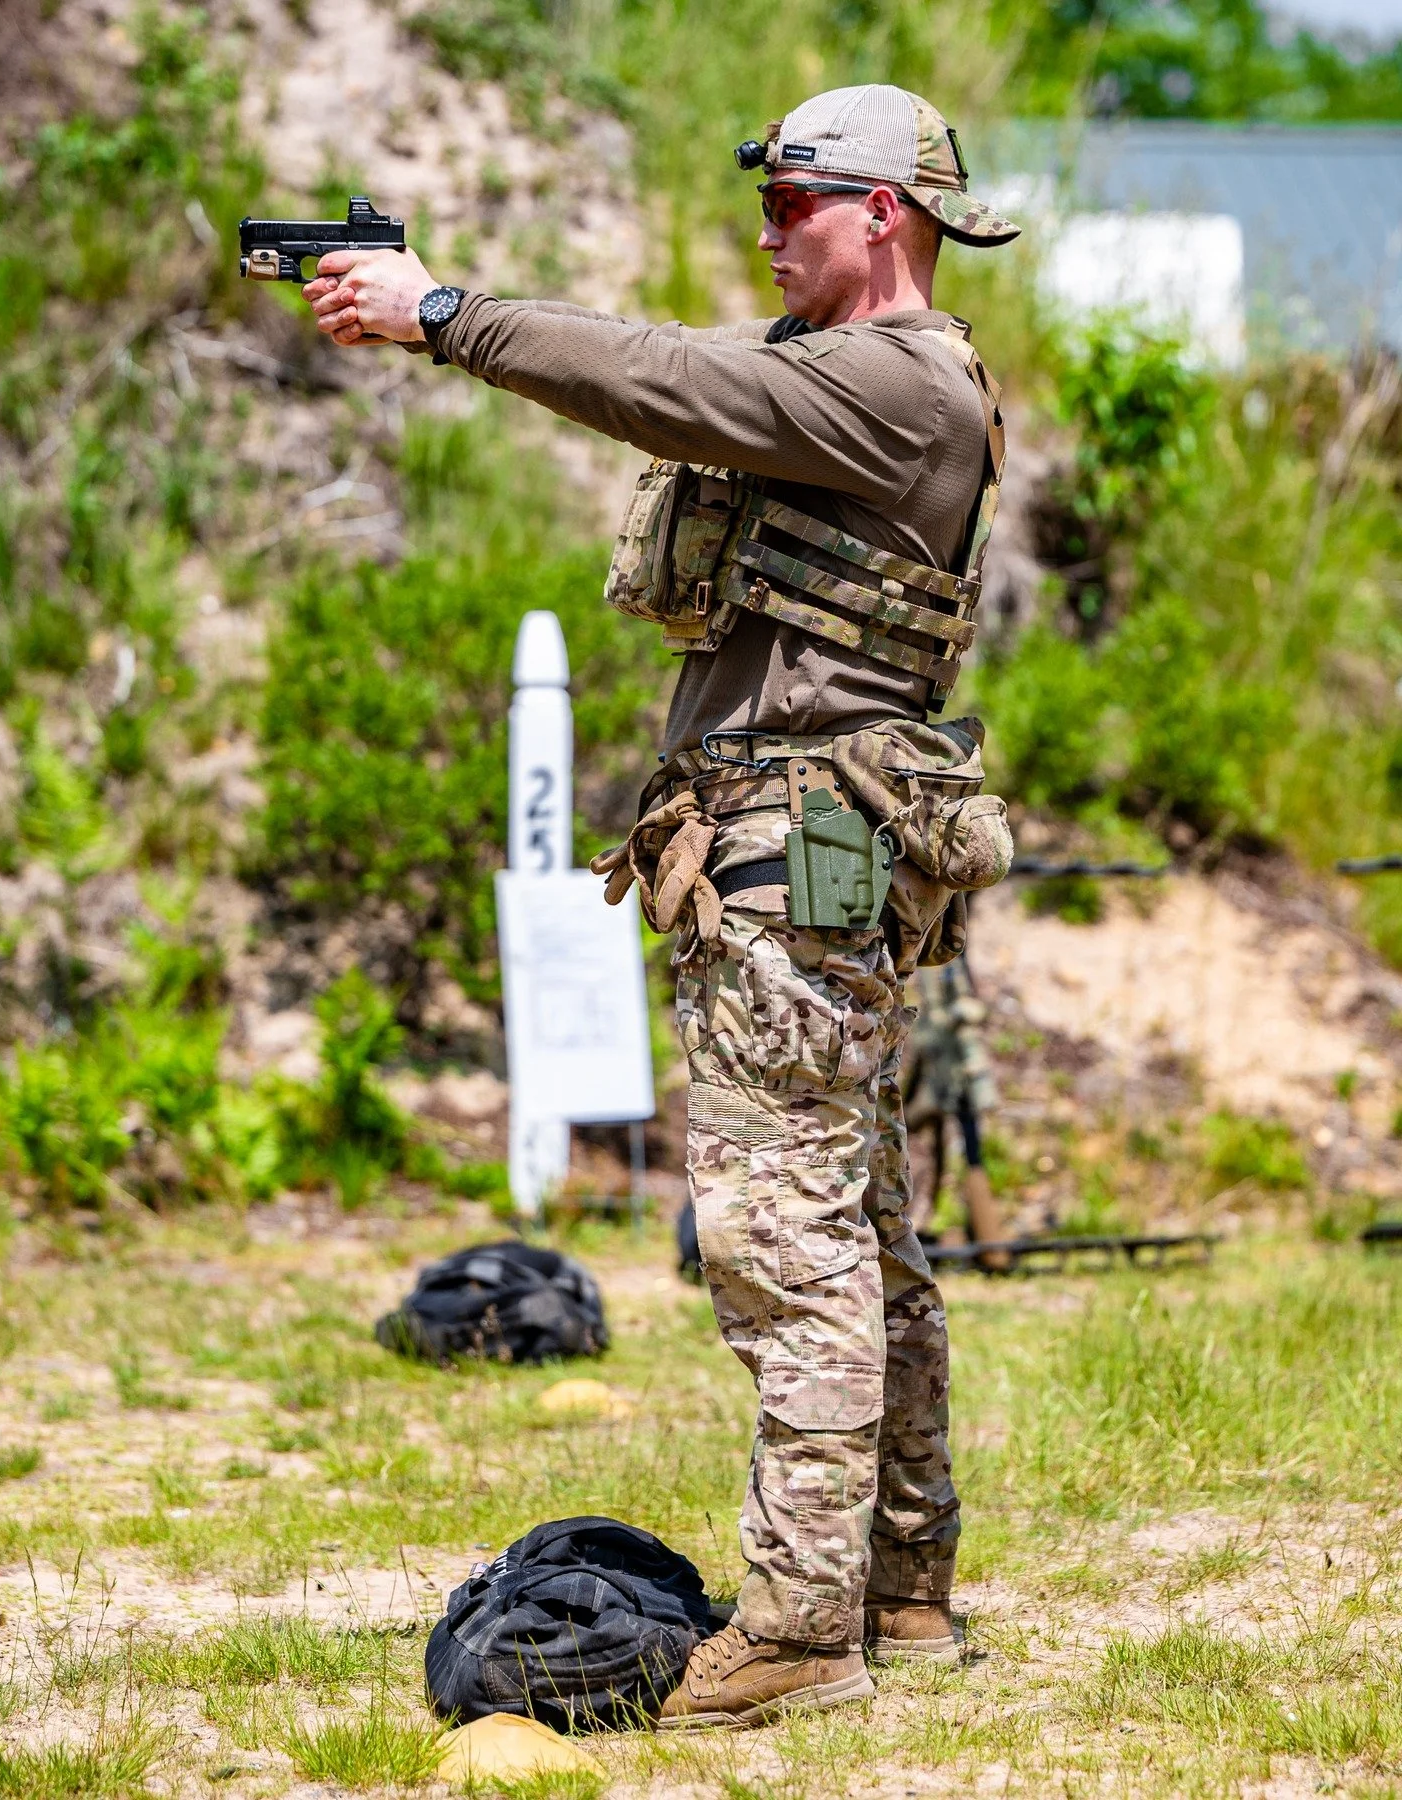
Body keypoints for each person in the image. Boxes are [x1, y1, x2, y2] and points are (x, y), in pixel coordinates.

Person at [301, 83, 1019, 1728]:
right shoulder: (876, 377)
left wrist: (446, 315)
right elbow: (690, 378)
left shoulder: (895, 382)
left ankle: (800, 1631)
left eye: (791, 203)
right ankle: (894, 1597)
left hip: (799, 842)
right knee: (855, 1223)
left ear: (882, 213)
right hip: (823, 839)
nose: (766, 230)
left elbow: (662, 377)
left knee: (785, 1236)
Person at [902, 955, 1009, 1258]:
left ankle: (987, 1244)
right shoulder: (943, 976)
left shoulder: (948, 973)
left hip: (949, 1063)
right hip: (940, 1058)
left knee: (962, 1148)